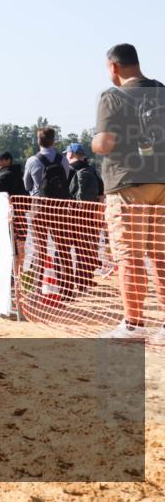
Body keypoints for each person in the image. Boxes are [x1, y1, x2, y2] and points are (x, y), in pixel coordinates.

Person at [92, 43, 165, 340]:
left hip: (127, 184)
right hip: (162, 181)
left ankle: (133, 324)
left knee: (129, 257)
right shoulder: (161, 91)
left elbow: (105, 143)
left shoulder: (113, 96)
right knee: (161, 256)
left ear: (114, 67)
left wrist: (95, 143)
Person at [23, 127, 73, 296]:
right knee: (63, 248)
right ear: (54, 140)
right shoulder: (63, 160)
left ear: (38, 141)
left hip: (39, 207)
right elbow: (65, 179)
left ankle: (37, 289)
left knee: (40, 249)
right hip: (59, 207)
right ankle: (67, 290)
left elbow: (27, 185)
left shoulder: (32, 160)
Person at [65, 143, 104, 292]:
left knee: (65, 249)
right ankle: (83, 282)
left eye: (67, 154)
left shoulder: (68, 170)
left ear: (71, 155)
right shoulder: (92, 170)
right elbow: (101, 193)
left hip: (70, 214)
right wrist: (97, 213)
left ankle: (66, 284)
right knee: (85, 248)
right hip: (89, 215)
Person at [0, 150, 29, 274]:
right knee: (21, 246)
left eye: (0, 159)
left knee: (10, 247)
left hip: (11, 216)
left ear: (8, 160)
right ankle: (19, 273)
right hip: (22, 213)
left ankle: (14, 274)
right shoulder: (20, 173)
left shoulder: (6, 175)